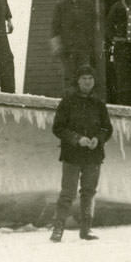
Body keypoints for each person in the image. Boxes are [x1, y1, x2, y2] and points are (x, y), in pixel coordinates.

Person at [51, 65, 114, 241]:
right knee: (67, 193)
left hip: (94, 156)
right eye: (84, 78)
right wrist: (77, 139)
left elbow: (107, 128)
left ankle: (86, 230)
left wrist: (98, 139)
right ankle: (58, 229)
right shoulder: (67, 101)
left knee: (89, 192)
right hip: (72, 155)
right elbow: (58, 128)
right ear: (78, 81)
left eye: (90, 78)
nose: (87, 82)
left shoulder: (99, 103)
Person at [50, 0, 96, 92]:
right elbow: (55, 27)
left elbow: (93, 27)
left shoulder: (87, 6)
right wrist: (56, 45)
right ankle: (69, 99)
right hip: (67, 49)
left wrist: (92, 45)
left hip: (83, 48)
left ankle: (83, 99)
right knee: (68, 76)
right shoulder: (60, 6)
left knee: (84, 75)